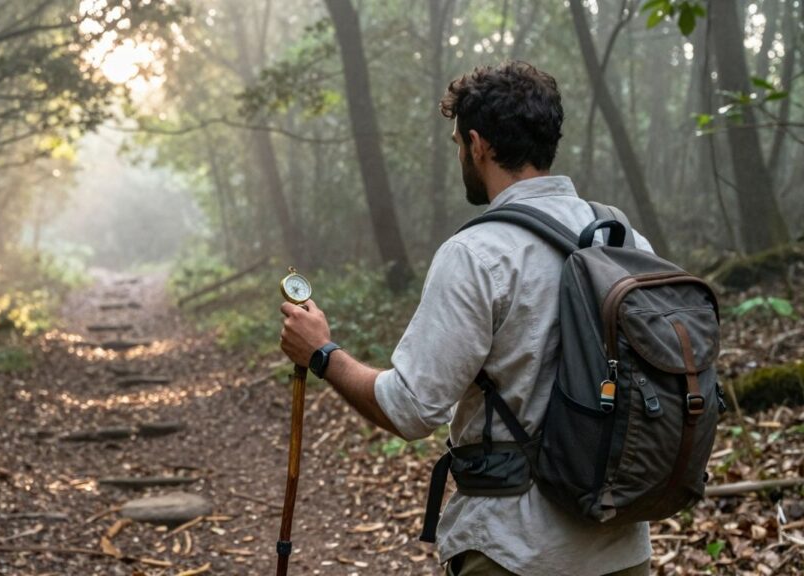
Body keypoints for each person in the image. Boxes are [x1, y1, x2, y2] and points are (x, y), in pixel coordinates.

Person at [278, 61, 652, 576]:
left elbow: (408, 409)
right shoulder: (623, 238)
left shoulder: (477, 253)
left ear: (477, 144)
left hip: (514, 551)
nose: (460, 154)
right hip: (624, 547)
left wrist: (322, 353)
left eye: (458, 143)